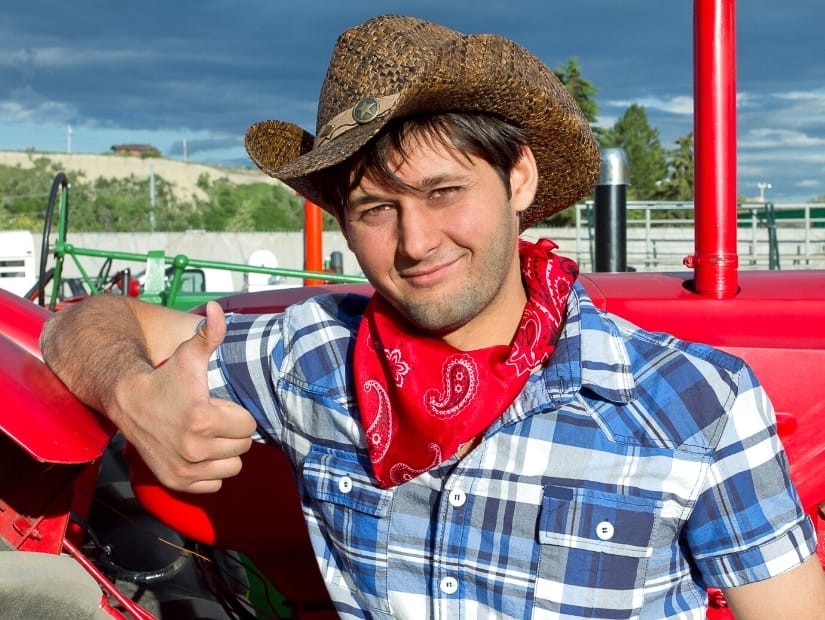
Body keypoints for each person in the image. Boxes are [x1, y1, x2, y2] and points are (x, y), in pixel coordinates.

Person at [40, 14, 825, 619]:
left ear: (518, 178)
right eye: (375, 208)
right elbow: (83, 323)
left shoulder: (693, 402)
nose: (415, 243)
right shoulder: (312, 356)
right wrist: (131, 395)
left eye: (443, 192)